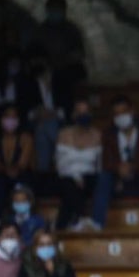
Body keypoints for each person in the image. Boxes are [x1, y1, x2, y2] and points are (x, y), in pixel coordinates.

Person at [93, 95, 139, 232]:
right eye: (117, 114)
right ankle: (97, 223)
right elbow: (105, 161)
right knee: (104, 177)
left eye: (124, 112)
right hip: (118, 183)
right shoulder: (108, 134)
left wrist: (132, 167)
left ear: (132, 111)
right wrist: (118, 168)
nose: (121, 116)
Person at [20, 50, 74, 179]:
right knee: (43, 125)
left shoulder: (61, 81)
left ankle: (42, 173)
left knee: (44, 127)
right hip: (36, 122)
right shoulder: (28, 83)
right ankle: (62, 155)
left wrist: (54, 113)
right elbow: (23, 110)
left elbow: (68, 108)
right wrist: (36, 113)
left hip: (58, 122)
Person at [54, 98, 102, 230]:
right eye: (79, 112)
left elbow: (99, 165)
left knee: (89, 184)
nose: (83, 115)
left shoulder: (97, 135)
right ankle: (82, 218)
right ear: (74, 115)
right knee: (69, 186)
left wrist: (84, 178)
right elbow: (60, 165)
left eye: (86, 112)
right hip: (67, 176)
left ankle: (62, 226)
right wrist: (76, 177)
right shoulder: (64, 134)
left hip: (90, 177)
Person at [25, 0, 87, 87]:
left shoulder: (71, 30)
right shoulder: (41, 31)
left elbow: (79, 53)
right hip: (46, 74)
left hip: (69, 73)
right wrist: (45, 63)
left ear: (63, 11)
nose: (55, 12)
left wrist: (64, 60)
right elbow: (33, 54)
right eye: (52, 9)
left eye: (58, 9)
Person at [0, 102, 34, 200]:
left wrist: (14, 170)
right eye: (7, 116)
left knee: (23, 181)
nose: (10, 120)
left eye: (14, 117)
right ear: (0, 118)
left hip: (20, 173)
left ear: (19, 120)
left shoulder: (26, 138)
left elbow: (23, 164)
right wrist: (6, 170)